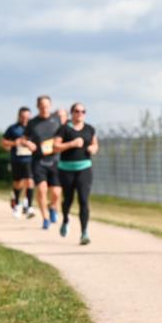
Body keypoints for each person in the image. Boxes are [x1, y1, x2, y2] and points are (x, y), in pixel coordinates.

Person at [54, 103, 98, 245]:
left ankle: (84, 232)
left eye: (83, 111)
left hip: (84, 168)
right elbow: (55, 147)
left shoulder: (90, 129)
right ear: (72, 113)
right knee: (68, 200)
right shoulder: (64, 129)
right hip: (66, 169)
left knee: (84, 200)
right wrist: (71, 144)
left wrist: (92, 148)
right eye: (77, 111)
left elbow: (95, 144)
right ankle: (66, 219)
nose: (80, 113)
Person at [25, 95, 62, 230]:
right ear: (37, 107)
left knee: (57, 192)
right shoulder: (32, 122)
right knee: (41, 190)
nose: (44, 108)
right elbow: (24, 138)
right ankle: (45, 218)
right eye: (41, 106)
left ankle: (52, 207)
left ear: (50, 106)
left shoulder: (56, 120)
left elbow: (64, 135)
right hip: (38, 161)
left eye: (46, 106)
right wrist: (28, 143)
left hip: (55, 160)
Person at [1, 106, 36, 218]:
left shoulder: (34, 128)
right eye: (23, 117)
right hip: (17, 160)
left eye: (27, 117)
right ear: (19, 116)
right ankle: (16, 202)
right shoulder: (13, 128)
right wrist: (15, 143)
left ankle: (29, 206)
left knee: (30, 182)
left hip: (30, 160)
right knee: (18, 183)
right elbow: (3, 143)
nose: (25, 119)